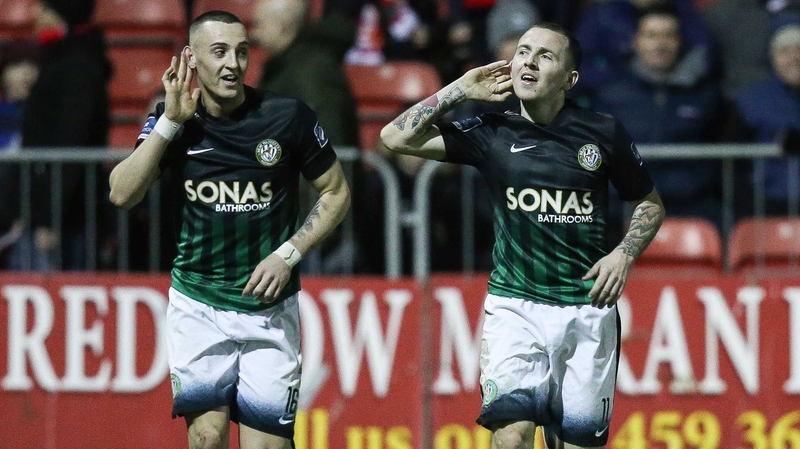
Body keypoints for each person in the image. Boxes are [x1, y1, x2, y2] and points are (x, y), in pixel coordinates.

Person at [379, 23, 665, 448]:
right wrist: (458, 89)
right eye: (523, 51)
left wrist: (623, 254)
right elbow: (393, 137)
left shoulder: (603, 133)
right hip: (515, 308)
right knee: (510, 438)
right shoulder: (493, 132)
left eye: (544, 55)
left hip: (586, 312)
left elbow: (650, 204)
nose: (528, 60)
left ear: (569, 79)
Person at [108, 11, 350, 449]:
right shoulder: (175, 123)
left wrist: (288, 254)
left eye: (241, 52)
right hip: (198, 305)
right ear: (192, 59)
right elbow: (122, 193)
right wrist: (169, 122)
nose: (232, 64)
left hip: (268, 309)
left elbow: (336, 192)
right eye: (219, 52)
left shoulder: (287, 116)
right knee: (206, 437)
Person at [0, 0, 111, 270]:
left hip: (67, 222)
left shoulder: (77, 69)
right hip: (49, 214)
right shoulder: (60, 60)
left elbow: (70, 148)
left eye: (45, 8)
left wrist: (50, 220)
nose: (36, 15)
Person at [592, 4, 722, 227]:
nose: (660, 45)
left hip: (691, 207)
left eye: (669, 36)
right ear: (636, 41)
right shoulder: (609, 94)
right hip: (623, 209)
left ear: (680, 42)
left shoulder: (705, 95)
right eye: (651, 36)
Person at [735, 23, 800, 214]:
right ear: (772, 58)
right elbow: (736, 163)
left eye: (799, 50)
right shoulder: (748, 102)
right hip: (767, 203)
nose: (794, 58)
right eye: (785, 51)